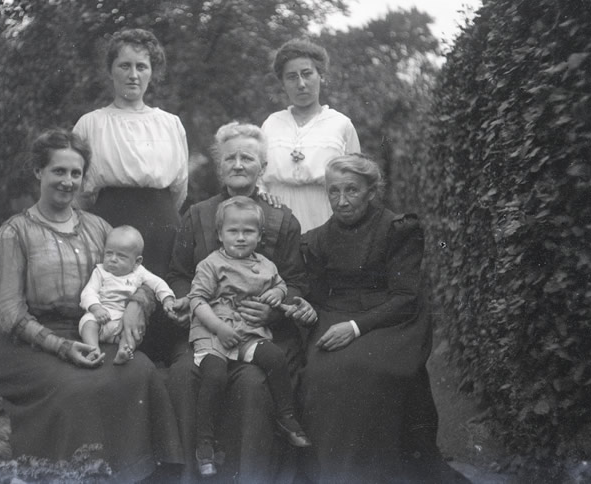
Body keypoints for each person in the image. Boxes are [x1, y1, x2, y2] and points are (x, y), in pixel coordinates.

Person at [0, 129, 182, 482]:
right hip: (31, 344)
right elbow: (8, 314)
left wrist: (137, 305)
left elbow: (140, 278)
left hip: (93, 329)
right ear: (38, 172)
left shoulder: (99, 227)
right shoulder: (15, 233)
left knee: (141, 371)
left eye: (75, 173)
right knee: (78, 389)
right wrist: (61, 347)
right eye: (58, 171)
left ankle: (139, 475)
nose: (68, 181)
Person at [167, 122, 317, 483]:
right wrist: (197, 306)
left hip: (262, 331)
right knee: (185, 374)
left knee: (252, 383)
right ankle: (194, 473)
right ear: (220, 166)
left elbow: (295, 280)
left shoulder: (281, 218)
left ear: (262, 167)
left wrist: (273, 308)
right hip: (208, 329)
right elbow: (178, 274)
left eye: (247, 158)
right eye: (230, 157)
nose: (237, 164)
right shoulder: (198, 215)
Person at [299, 154, 458, 482]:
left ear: (372, 192)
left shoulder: (399, 229)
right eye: (333, 192)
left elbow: (405, 296)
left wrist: (356, 328)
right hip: (334, 314)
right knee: (320, 373)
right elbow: (312, 292)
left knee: (368, 370)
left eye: (352, 191)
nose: (341, 202)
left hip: (391, 318)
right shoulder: (315, 239)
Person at [188, 196, 311, 477]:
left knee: (275, 357)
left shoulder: (266, 265)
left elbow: (280, 285)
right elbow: (197, 300)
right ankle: (204, 443)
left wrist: (276, 294)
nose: (241, 238)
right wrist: (218, 328)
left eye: (248, 232)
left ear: (259, 236)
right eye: (233, 231)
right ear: (220, 235)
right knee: (215, 375)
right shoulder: (211, 264)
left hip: (248, 333)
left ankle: (286, 416)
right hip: (214, 332)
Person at [73, 28, 188, 278]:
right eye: (124, 66)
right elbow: (78, 193)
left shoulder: (170, 124)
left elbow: (179, 189)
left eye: (142, 67)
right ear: (110, 71)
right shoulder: (90, 124)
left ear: (152, 72)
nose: (133, 75)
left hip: (162, 229)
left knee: (161, 302)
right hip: (108, 225)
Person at [261, 38, 361, 233]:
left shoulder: (341, 124)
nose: (301, 84)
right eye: (291, 77)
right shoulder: (271, 124)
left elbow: (356, 180)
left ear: (321, 76)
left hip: (325, 214)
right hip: (277, 215)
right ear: (282, 83)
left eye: (307, 74)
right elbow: (257, 177)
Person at [79, 225, 177, 365]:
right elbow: (88, 292)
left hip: (122, 321)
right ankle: (93, 349)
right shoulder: (100, 272)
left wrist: (167, 299)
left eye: (121, 256)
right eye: (109, 253)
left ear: (137, 261)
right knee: (87, 322)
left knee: (133, 331)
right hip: (100, 317)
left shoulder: (140, 273)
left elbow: (158, 284)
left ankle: (123, 351)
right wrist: (96, 308)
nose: (113, 259)